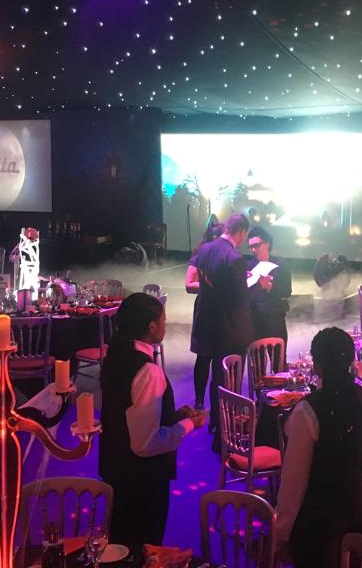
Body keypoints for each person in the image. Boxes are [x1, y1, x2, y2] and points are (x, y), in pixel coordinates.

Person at [99, 293, 206, 550]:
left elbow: (127, 411)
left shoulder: (116, 357)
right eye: (164, 319)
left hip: (116, 469)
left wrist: (172, 415)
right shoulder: (148, 371)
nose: (165, 324)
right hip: (142, 481)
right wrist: (189, 425)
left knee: (120, 545)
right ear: (152, 326)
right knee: (143, 548)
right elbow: (145, 444)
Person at [276, 327, 362, 568]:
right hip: (358, 509)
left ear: (317, 365)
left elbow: (294, 484)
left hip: (319, 522)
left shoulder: (307, 410)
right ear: (352, 361)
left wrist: (280, 534)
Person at [193, 212, 255, 449]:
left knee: (217, 378)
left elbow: (216, 285)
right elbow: (240, 300)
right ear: (242, 232)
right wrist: (259, 285)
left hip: (210, 322)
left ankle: (216, 424)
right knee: (230, 382)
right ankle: (224, 436)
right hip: (231, 329)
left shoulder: (205, 250)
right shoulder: (235, 258)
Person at [188, 219, 224, 411]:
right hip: (205, 310)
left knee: (219, 360)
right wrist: (210, 286)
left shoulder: (227, 257)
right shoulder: (200, 256)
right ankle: (199, 401)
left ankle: (218, 406)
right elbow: (188, 284)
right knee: (203, 357)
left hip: (222, 311)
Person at [246, 226, 292, 349]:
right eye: (251, 247)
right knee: (257, 358)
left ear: (267, 244)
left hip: (275, 319)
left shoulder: (281, 265)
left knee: (278, 358)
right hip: (255, 319)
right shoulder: (248, 266)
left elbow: (287, 291)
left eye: (256, 245)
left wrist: (270, 287)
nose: (254, 250)